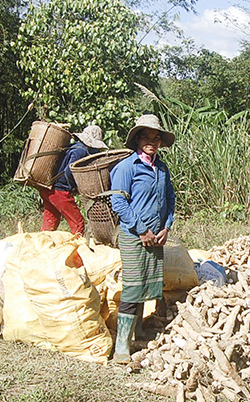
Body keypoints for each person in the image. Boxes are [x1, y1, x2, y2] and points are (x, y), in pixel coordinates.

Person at [109, 114, 176, 364]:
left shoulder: (161, 167)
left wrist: (166, 227)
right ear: (137, 139)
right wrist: (141, 229)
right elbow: (118, 202)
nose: (152, 141)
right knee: (133, 286)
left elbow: (170, 199)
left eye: (156, 137)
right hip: (134, 236)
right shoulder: (127, 167)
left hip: (156, 237)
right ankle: (121, 348)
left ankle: (137, 332)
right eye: (147, 137)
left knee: (148, 284)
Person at [39, 124, 108, 235]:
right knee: (78, 223)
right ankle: (76, 249)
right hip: (60, 191)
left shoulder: (74, 147)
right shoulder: (80, 151)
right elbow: (70, 171)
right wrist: (76, 186)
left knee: (50, 223)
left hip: (48, 189)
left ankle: (40, 246)